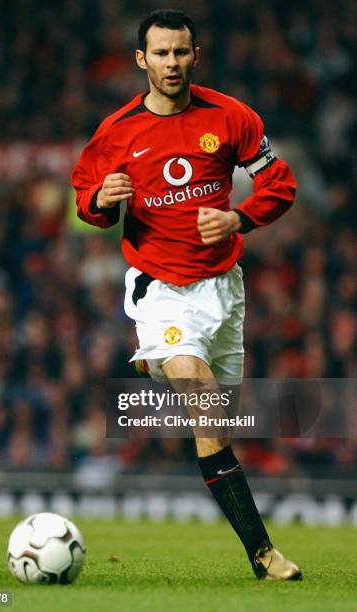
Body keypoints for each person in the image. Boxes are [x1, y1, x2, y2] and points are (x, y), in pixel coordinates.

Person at [72, 9, 301, 580]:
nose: (171, 63)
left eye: (181, 53)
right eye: (161, 53)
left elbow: (280, 183)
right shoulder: (117, 131)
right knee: (200, 395)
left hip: (223, 291)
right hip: (161, 290)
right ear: (141, 59)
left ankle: (251, 541)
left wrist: (238, 220)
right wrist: (103, 197)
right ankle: (264, 554)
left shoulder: (231, 117)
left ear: (195, 56)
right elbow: (86, 202)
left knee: (217, 422)